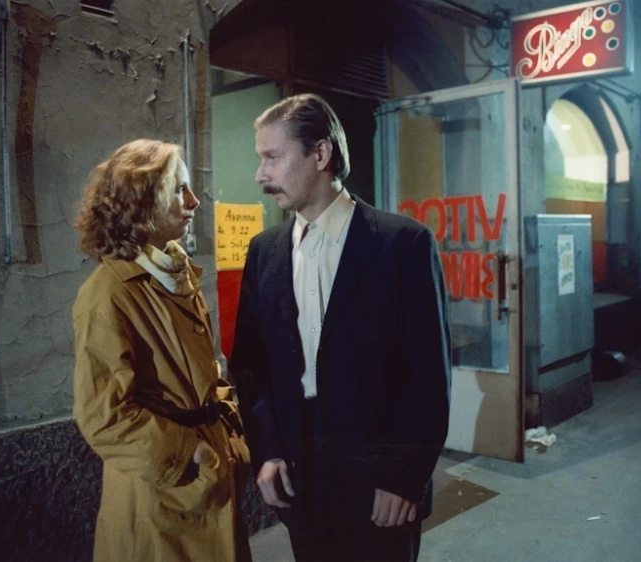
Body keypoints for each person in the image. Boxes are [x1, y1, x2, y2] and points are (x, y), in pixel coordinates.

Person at [229, 94, 451, 562]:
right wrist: (267, 451)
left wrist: (402, 477)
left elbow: (428, 375)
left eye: (272, 157)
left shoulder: (402, 243)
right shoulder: (264, 250)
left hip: (379, 481)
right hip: (298, 478)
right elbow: (251, 367)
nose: (260, 175)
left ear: (321, 153)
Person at [72, 139, 252, 562]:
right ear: (141, 201)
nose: (193, 201)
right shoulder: (108, 292)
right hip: (163, 495)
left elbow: (204, 373)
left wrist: (229, 432)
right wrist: (191, 452)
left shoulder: (175, 273)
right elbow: (103, 416)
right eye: (178, 189)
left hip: (208, 479)